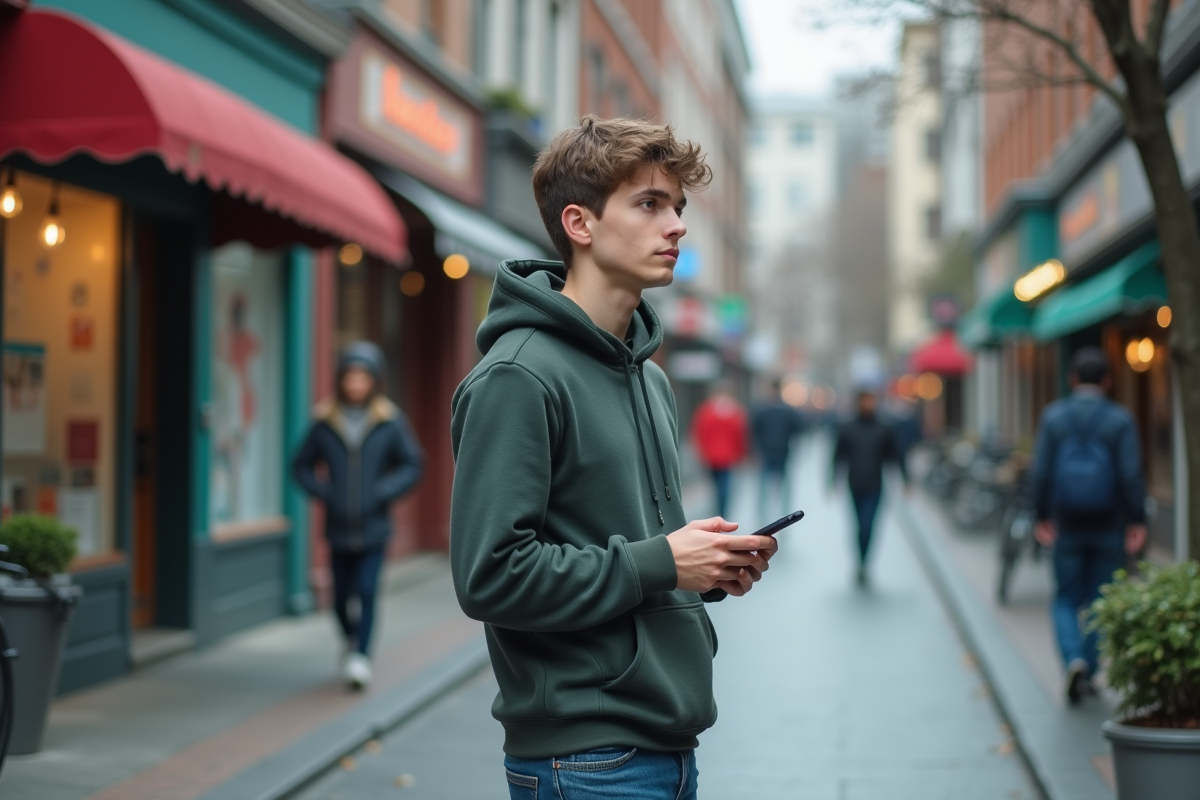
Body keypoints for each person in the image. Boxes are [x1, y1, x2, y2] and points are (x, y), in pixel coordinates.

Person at [449, 116, 777, 800]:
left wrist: (703, 569)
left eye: (679, 208)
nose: (677, 226)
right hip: (585, 759)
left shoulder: (650, 377)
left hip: (667, 744)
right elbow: (491, 577)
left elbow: (624, 549)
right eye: (650, 204)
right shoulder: (519, 376)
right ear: (580, 223)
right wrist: (663, 561)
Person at [293, 342, 424, 690]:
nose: (356, 383)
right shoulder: (325, 421)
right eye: (350, 376)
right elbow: (301, 466)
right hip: (337, 528)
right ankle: (352, 640)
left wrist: (382, 492)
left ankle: (360, 657)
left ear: (374, 380)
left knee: (366, 591)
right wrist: (326, 494)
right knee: (338, 599)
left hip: (375, 527)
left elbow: (413, 464)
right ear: (340, 380)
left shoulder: (389, 421)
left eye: (363, 376)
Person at [1032, 346, 1147, 705]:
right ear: (1108, 381)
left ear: (1073, 379)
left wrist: (1041, 517)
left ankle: (1073, 659)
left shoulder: (1054, 417)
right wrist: (1137, 519)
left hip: (1066, 524)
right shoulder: (1120, 420)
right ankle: (1089, 668)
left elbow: (1041, 473)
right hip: (1109, 524)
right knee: (1101, 599)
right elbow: (1130, 474)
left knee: (1065, 597)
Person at [831, 389, 909, 585]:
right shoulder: (847, 427)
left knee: (869, 526)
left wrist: (906, 480)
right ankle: (860, 560)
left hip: (875, 485)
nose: (868, 404)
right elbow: (838, 455)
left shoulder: (884, 428)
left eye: (871, 401)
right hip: (855, 484)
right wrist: (832, 480)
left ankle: (865, 562)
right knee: (859, 527)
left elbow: (896, 455)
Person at [691, 381, 748, 518]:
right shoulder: (735, 412)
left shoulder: (706, 410)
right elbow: (740, 435)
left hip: (710, 455)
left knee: (715, 484)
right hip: (728, 456)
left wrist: (700, 452)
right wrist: (741, 454)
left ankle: (717, 509)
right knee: (725, 485)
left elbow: (700, 432)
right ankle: (722, 511)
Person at [750, 378, 806, 520]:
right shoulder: (781, 410)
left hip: (776, 452)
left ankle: (772, 512)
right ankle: (773, 512)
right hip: (775, 452)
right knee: (772, 486)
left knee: (772, 486)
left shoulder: (764, 410)